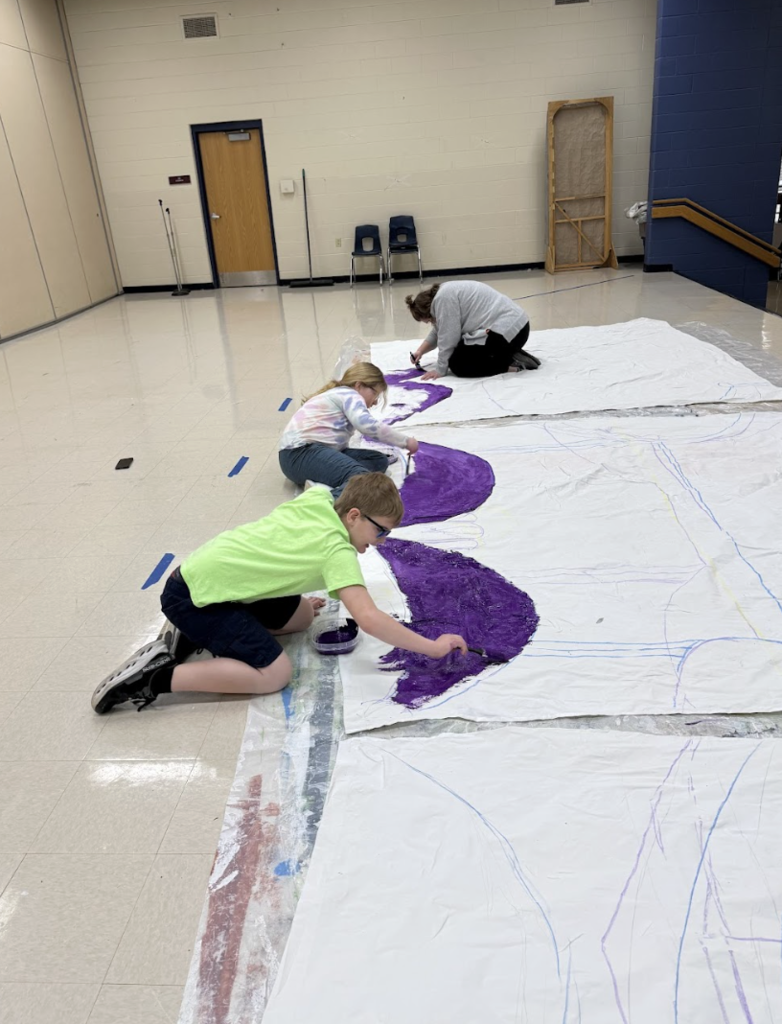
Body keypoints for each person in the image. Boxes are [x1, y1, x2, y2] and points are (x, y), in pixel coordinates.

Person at [91, 473, 467, 714]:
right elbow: (368, 618)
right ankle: (154, 678)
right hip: (192, 597)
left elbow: (311, 495)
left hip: (202, 577)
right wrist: (432, 647)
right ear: (353, 516)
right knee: (274, 674)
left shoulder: (320, 500)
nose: (381, 540)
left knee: (302, 616)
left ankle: (194, 631)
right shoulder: (337, 552)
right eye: (379, 531)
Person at [278, 362, 418, 492]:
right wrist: (405, 441)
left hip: (303, 456)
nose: (375, 402)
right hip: (299, 454)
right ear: (359, 385)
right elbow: (366, 425)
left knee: (378, 460)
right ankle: (327, 502)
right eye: (375, 393)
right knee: (360, 478)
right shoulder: (350, 394)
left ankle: (323, 483)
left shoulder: (340, 394)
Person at [406, 280, 540, 380]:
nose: (431, 323)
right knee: (461, 352)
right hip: (517, 327)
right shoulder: (443, 292)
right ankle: (509, 353)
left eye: (429, 320)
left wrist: (440, 370)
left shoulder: (443, 300)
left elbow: (448, 338)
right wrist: (420, 351)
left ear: (428, 311)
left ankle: (510, 363)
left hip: (509, 332)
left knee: (458, 364)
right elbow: (439, 330)